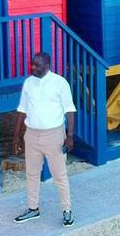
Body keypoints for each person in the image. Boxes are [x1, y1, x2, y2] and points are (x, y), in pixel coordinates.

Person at [12, 52, 76, 227]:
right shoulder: (28, 83)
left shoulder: (60, 83)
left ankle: (67, 210)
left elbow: (69, 110)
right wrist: (16, 136)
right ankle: (33, 208)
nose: (33, 67)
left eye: (37, 65)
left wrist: (69, 136)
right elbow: (22, 109)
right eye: (32, 64)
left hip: (54, 135)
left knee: (59, 176)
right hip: (31, 135)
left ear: (47, 67)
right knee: (32, 174)